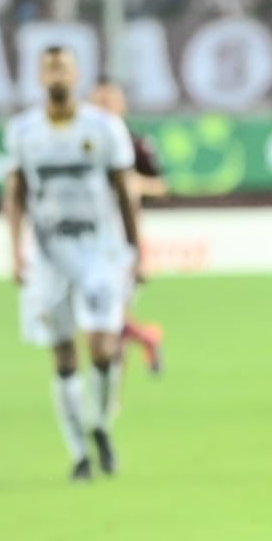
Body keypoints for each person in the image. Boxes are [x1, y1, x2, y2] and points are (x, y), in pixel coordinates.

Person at [4, 46, 142, 481]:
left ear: (77, 74)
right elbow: (15, 193)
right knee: (62, 352)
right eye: (50, 68)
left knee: (103, 346)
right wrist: (15, 249)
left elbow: (124, 189)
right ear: (39, 77)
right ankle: (80, 453)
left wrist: (136, 249)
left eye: (63, 67)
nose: (57, 75)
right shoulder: (23, 130)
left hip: (99, 249)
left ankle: (101, 424)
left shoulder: (104, 128)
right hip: (49, 254)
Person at [90, 77, 166, 376]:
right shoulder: (81, 144)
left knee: (109, 323)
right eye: (99, 101)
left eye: (110, 100)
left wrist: (134, 185)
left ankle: (111, 396)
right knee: (100, 322)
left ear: (122, 104)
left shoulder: (135, 144)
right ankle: (147, 338)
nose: (104, 107)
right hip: (86, 240)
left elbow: (161, 185)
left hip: (121, 241)